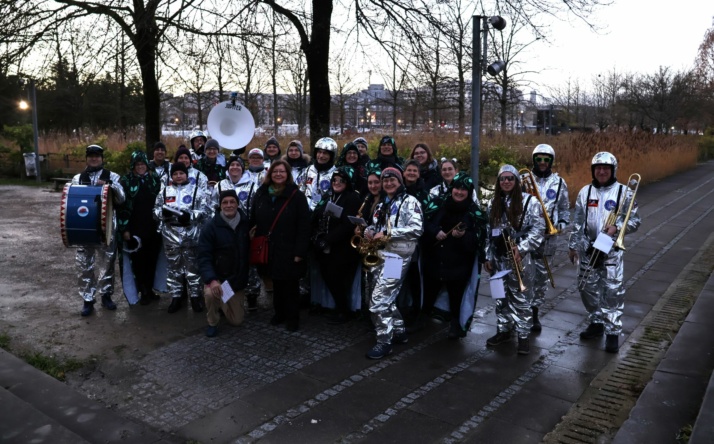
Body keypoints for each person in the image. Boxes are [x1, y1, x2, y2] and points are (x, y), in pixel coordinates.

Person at [568, 152, 641, 353]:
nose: (601, 172)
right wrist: (573, 245)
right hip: (588, 249)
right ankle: (596, 322)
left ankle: (612, 332)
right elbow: (578, 222)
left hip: (611, 250)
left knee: (612, 292)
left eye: (606, 169)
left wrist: (616, 228)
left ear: (612, 170)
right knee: (586, 288)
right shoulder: (585, 192)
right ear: (593, 170)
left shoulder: (625, 192)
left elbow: (635, 222)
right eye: (598, 168)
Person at [484, 165, 544, 355]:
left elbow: (538, 230)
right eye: (503, 179)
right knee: (500, 297)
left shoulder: (530, 202)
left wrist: (523, 247)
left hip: (520, 259)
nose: (506, 182)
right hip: (498, 258)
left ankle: (523, 335)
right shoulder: (492, 204)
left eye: (510, 178)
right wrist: (487, 255)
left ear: (517, 181)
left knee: (521, 299)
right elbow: (487, 233)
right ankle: (504, 329)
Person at [364, 167, 423, 359]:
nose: (388, 183)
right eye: (385, 180)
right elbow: (377, 226)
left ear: (400, 182)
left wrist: (390, 234)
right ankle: (398, 330)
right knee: (383, 296)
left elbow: (416, 228)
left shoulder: (410, 201)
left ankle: (384, 341)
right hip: (379, 255)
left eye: (393, 180)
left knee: (379, 300)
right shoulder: (382, 204)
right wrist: (369, 231)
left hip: (397, 257)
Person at [420, 172, 488, 338]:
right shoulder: (437, 203)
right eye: (457, 187)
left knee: (456, 295)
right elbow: (423, 223)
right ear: (452, 188)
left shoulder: (474, 212)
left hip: (458, 264)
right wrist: (435, 231)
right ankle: (421, 319)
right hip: (435, 260)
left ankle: (456, 323)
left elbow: (478, 240)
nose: (459, 192)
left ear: (469, 191)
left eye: (464, 189)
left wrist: (464, 236)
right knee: (429, 293)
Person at [250, 160, 311, 331]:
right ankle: (279, 313)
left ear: (288, 174)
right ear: (270, 174)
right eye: (275, 171)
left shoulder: (296, 196)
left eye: (282, 172)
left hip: (289, 248)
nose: (278, 174)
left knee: (290, 285)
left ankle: (293, 317)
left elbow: (304, 225)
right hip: (270, 247)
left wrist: (300, 251)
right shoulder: (261, 193)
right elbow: (253, 217)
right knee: (276, 283)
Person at [73, 144, 127, 316]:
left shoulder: (113, 176)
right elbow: (70, 202)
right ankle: (88, 300)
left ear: (102, 158)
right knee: (84, 265)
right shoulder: (77, 178)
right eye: (91, 156)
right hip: (84, 228)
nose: (94, 158)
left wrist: (110, 185)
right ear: (87, 158)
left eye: (97, 156)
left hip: (107, 228)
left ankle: (106, 296)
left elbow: (122, 199)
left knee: (107, 264)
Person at [522, 144, 570, 332]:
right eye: (539, 159)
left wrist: (562, 224)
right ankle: (521, 310)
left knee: (541, 278)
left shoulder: (559, 183)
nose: (542, 163)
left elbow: (565, 209)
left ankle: (534, 313)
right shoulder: (523, 179)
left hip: (548, 239)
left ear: (551, 161)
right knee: (525, 274)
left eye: (546, 159)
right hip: (526, 236)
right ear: (534, 160)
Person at [154, 161, 210, 314]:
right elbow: (155, 211)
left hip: (191, 234)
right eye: (175, 174)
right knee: (174, 268)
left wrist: (191, 216)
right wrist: (162, 214)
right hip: (170, 235)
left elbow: (205, 211)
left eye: (181, 173)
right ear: (171, 176)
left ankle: (195, 297)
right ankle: (176, 297)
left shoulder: (196, 191)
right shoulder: (164, 191)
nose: (178, 176)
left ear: (186, 174)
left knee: (193, 268)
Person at [311, 166, 362, 324]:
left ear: (347, 182)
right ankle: (339, 308)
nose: (337, 182)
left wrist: (328, 239)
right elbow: (317, 213)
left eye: (341, 180)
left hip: (342, 248)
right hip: (325, 246)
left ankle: (344, 311)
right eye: (334, 180)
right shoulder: (329, 196)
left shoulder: (352, 197)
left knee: (339, 280)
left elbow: (347, 224)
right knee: (329, 277)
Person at [197, 189, 250, 337]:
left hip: (236, 280)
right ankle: (212, 321)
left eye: (232, 202)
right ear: (220, 205)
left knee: (237, 321)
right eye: (225, 202)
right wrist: (212, 280)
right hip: (218, 278)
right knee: (210, 294)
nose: (229, 205)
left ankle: (222, 303)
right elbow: (204, 257)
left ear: (237, 204)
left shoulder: (246, 224)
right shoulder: (210, 227)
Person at [214, 155, 260, 311]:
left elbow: (257, 209)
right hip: (225, 231)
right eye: (231, 165)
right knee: (227, 262)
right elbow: (211, 207)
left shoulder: (253, 185)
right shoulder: (220, 185)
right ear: (227, 168)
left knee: (249, 263)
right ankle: (226, 297)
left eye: (238, 165)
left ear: (243, 168)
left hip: (245, 231)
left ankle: (252, 295)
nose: (234, 167)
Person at [117, 150, 162, 305]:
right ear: (133, 165)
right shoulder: (126, 181)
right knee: (139, 261)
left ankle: (150, 289)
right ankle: (142, 290)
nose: (141, 167)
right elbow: (121, 207)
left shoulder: (154, 178)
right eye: (138, 164)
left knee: (152, 259)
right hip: (136, 228)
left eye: (143, 164)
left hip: (153, 227)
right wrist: (126, 229)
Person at [301, 137, 338, 211]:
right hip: (306, 209)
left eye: (325, 153)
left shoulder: (336, 173)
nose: (321, 156)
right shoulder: (308, 170)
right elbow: (301, 188)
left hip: (324, 212)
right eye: (319, 152)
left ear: (331, 156)